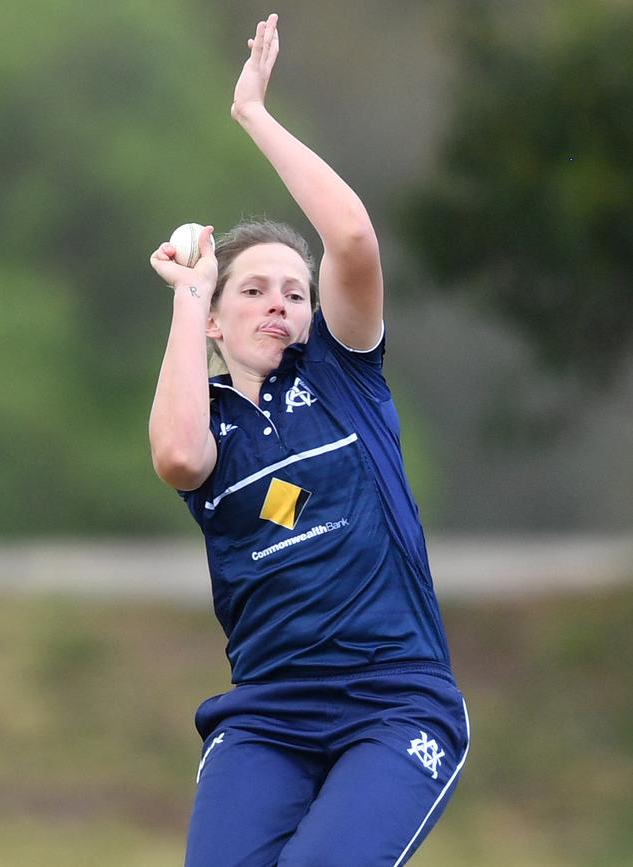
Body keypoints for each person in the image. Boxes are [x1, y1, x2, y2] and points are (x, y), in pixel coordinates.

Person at [149, 13, 469, 867]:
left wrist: (254, 112)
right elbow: (177, 457)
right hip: (270, 713)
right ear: (218, 320)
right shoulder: (207, 414)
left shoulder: (340, 374)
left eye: (295, 291)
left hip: (396, 703)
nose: (280, 304)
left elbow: (353, 239)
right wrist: (189, 297)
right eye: (252, 290)